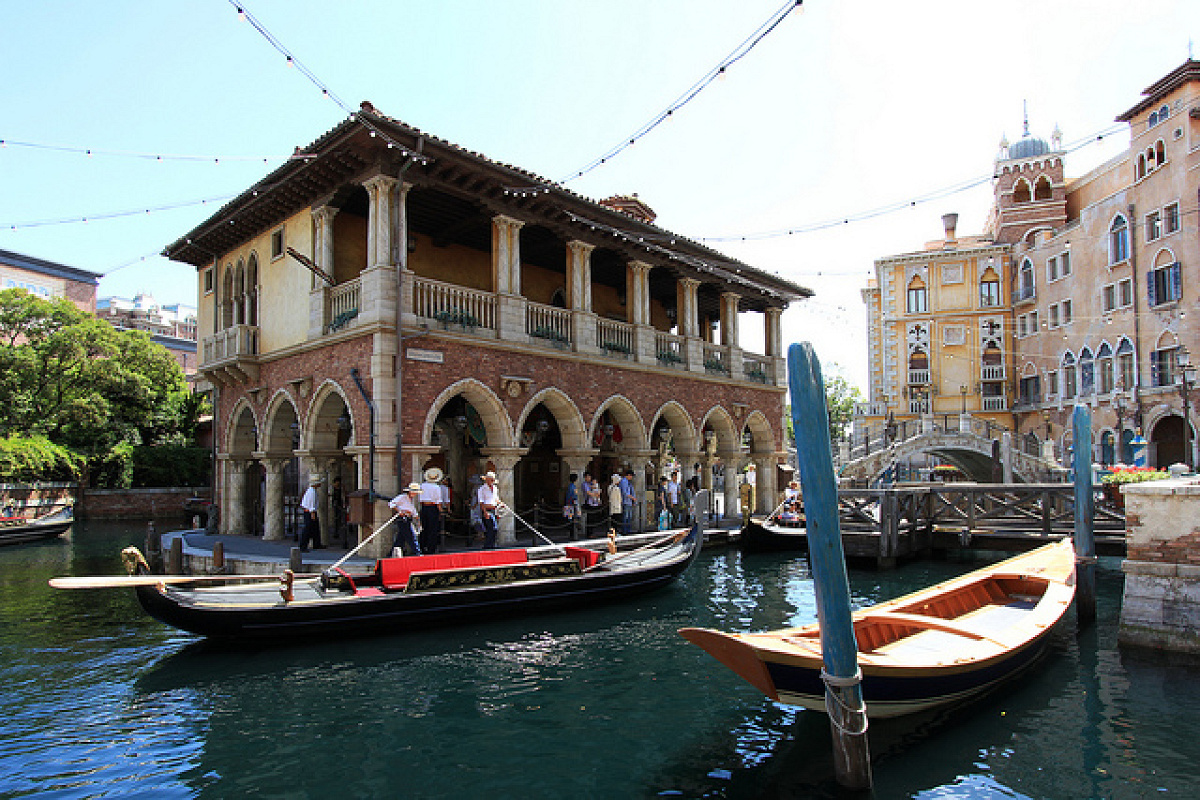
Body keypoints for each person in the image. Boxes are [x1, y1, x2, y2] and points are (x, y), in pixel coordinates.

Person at [387, 482, 423, 556]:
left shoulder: (410, 499)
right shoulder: (402, 497)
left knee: (400, 539)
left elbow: (412, 510)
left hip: (408, 518)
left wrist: (417, 518)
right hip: (402, 519)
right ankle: (417, 552)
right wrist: (399, 511)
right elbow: (391, 504)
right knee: (411, 536)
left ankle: (390, 554)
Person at [419, 467, 445, 554]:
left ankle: (423, 546)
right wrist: (441, 511)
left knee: (424, 528)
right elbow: (438, 501)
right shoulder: (436, 487)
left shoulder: (422, 485)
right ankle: (431, 548)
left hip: (424, 507)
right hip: (433, 508)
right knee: (433, 529)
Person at [299, 475, 324, 551]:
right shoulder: (312, 492)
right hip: (310, 512)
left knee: (315, 529)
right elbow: (312, 504)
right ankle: (303, 546)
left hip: (310, 511)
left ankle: (317, 543)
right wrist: (313, 514)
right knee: (308, 529)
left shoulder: (312, 491)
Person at [476, 471, 500, 549]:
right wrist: (485, 512)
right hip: (487, 509)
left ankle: (491, 545)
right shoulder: (482, 489)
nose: (492, 481)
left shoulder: (495, 488)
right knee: (492, 527)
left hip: (494, 509)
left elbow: (496, 499)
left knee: (493, 529)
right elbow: (481, 502)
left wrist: (500, 504)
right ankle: (488, 545)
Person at [620, 469, 636, 535]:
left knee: (629, 517)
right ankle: (625, 531)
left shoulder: (629, 482)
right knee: (625, 517)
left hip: (629, 502)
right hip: (625, 502)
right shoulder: (624, 482)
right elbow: (625, 493)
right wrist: (632, 498)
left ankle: (628, 530)